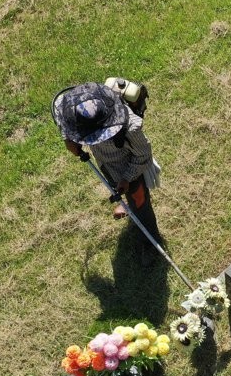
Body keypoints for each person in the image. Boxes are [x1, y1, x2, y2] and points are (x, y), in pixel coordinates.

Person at [52, 82, 162, 261]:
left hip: (129, 169)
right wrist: (68, 140)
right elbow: (60, 115)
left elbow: (143, 156)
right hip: (106, 163)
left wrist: (127, 179)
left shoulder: (130, 127)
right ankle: (128, 204)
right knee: (117, 186)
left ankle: (152, 243)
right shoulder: (72, 107)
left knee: (140, 202)